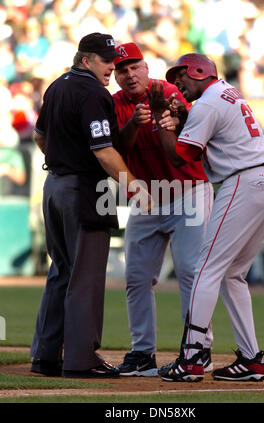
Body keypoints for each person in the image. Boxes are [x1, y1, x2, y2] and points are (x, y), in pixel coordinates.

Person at [147, 53, 264, 382]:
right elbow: (207, 136)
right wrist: (183, 117)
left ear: (199, 71)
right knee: (232, 274)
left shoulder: (208, 102)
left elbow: (180, 156)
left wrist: (159, 117)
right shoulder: (225, 94)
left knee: (206, 269)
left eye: (181, 75)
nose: (177, 83)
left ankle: (192, 356)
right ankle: (251, 359)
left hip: (245, 181)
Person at [30, 33, 152, 379]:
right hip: (83, 190)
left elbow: (41, 136)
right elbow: (103, 150)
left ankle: (45, 356)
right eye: (105, 59)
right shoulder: (93, 92)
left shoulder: (57, 87)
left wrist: (63, 161)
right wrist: (134, 185)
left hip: (53, 186)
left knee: (61, 272)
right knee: (85, 276)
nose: (113, 66)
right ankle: (82, 359)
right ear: (85, 59)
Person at [112, 42, 214, 377]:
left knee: (189, 273)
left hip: (189, 191)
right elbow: (116, 150)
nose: (129, 75)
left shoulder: (167, 90)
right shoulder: (114, 104)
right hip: (148, 195)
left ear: (146, 67)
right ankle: (142, 353)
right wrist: (133, 126)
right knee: (136, 277)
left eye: (134, 67)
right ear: (114, 75)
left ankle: (196, 350)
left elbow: (190, 133)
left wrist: (164, 115)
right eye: (122, 70)